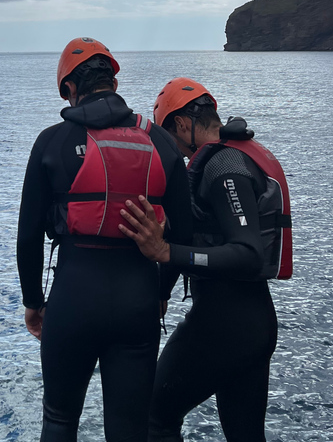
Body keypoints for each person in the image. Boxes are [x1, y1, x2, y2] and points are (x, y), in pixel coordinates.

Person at [16, 39, 193, 442]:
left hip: (73, 297)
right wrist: (161, 291)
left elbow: (28, 236)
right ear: (113, 81)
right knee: (129, 431)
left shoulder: (51, 141)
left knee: (59, 420)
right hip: (139, 301)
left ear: (69, 89)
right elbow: (184, 233)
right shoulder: (163, 143)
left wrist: (33, 303)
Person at [118, 77, 292, 442]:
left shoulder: (223, 166)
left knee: (153, 417)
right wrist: (162, 291)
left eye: (171, 138)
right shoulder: (232, 155)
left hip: (225, 327)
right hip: (251, 325)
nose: (177, 151)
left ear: (184, 123)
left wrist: (164, 252)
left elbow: (247, 254)